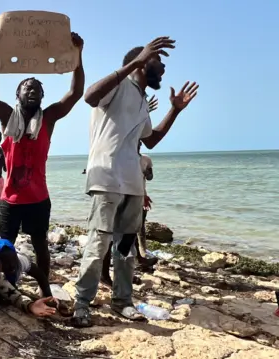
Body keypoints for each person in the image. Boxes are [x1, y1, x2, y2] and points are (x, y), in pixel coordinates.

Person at [75, 36, 198, 327]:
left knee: (125, 248)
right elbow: (89, 96)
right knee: (98, 243)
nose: (163, 70)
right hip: (106, 178)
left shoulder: (142, 99)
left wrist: (175, 110)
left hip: (131, 183)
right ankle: (82, 303)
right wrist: (135, 60)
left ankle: (122, 301)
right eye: (158, 62)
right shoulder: (117, 86)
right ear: (143, 62)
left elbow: (150, 140)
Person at [0, 32, 85, 278]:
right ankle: (5, 284)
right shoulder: (7, 116)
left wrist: (78, 54)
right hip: (10, 199)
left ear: (42, 96)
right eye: (27, 87)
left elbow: (76, 92)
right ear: (18, 95)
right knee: (4, 246)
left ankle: (44, 286)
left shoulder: (48, 118)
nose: (32, 90)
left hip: (38, 198)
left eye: (37, 88)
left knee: (40, 246)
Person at [100, 99, 159, 287]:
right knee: (109, 238)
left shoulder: (143, 159)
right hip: (115, 198)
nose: (138, 146)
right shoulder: (116, 153)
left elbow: (146, 178)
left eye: (140, 143)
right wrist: (142, 109)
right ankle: (105, 274)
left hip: (137, 198)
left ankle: (127, 272)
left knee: (131, 236)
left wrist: (145, 183)